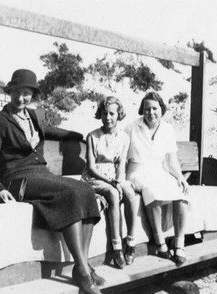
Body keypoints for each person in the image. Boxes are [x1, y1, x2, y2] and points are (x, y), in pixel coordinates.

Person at [0, 69, 103, 294]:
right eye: (17, 93)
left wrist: (78, 135)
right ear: (10, 92)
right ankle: (84, 272)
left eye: (26, 93)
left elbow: (50, 130)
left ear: (32, 95)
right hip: (17, 180)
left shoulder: (34, 116)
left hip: (42, 175)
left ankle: (82, 266)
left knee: (85, 190)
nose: (21, 98)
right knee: (69, 192)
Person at [125, 91, 190, 266]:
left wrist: (180, 178)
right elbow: (121, 154)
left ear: (161, 110)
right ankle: (160, 242)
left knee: (181, 194)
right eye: (147, 109)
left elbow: (171, 160)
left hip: (159, 171)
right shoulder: (131, 128)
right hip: (137, 172)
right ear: (142, 110)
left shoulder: (168, 129)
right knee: (152, 191)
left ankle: (179, 244)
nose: (150, 113)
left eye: (154, 108)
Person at [81, 96, 139, 269]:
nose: (108, 117)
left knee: (129, 193)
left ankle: (131, 241)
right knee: (113, 194)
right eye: (105, 113)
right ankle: (117, 247)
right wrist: (111, 183)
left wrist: (119, 181)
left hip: (115, 177)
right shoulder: (93, 136)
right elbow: (91, 167)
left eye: (112, 113)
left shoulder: (124, 137)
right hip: (95, 178)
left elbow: (122, 165)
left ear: (118, 114)